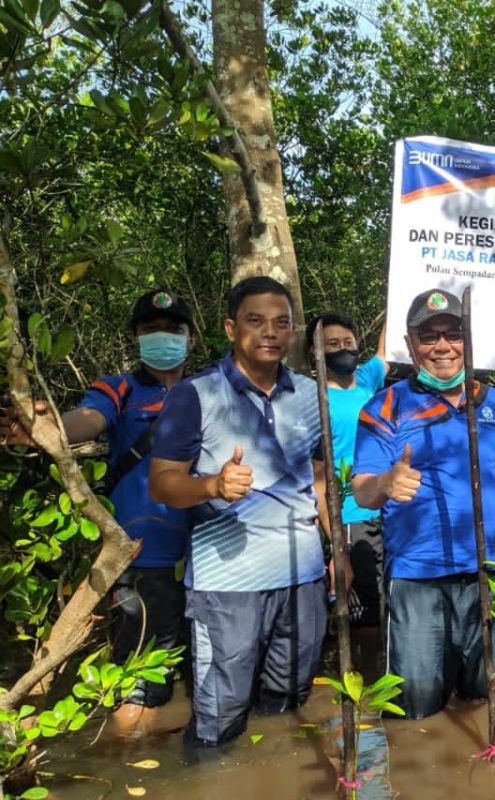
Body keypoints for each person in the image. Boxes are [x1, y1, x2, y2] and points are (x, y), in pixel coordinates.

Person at [148, 276, 331, 748]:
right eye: (255, 321)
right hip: (227, 586)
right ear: (231, 328)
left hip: (303, 576)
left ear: (292, 331)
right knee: (218, 717)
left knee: (288, 703)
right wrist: (212, 484)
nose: (269, 332)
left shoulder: (313, 394)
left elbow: (319, 478)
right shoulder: (195, 394)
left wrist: (340, 555)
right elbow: (162, 482)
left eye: (281, 322)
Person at [352, 288, 495, 719]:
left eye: (453, 334)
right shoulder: (385, 405)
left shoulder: (494, 403)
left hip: (493, 572)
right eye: (429, 335)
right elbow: (361, 489)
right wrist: (387, 482)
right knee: (413, 709)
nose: (442, 346)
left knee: (490, 701)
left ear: (469, 339)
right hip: (418, 577)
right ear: (410, 343)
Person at [3, 289, 194, 731]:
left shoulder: (206, 390)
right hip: (143, 558)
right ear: (136, 337)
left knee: (195, 674)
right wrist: (46, 428)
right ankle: (130, 754)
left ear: (191, 338)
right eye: (150, 329)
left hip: (206, 559)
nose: (161, 337)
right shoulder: (120, 388)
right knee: (141, 681)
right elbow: (89, 419)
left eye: (172, 329)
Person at [308, 311, 388, 626]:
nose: (343, 348)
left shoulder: (367, 379)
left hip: (384, 510)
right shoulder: (315, 400)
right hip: (349, 517)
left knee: (387, 603)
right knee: (363, 612)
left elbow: (385, 352)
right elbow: (317, 477)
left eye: (348, 342)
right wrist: (336, 541)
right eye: (333, 344)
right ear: (317, 351)